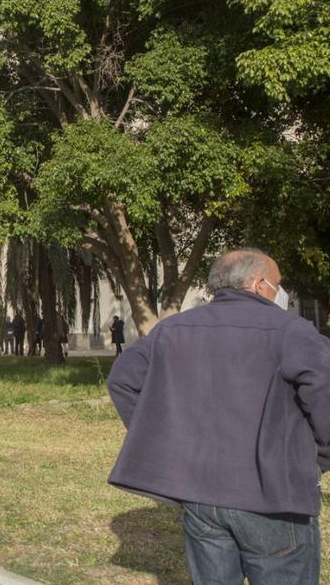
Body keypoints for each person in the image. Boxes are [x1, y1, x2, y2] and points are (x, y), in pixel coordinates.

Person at [107, 249, 330, 584]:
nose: (281, 293)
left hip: (200, 493)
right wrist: (316, 459)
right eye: (278, 284)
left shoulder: (173, 329)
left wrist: (166, 439)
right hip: (273, 497)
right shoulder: (292, 331)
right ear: (259, 284)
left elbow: (122, 380)